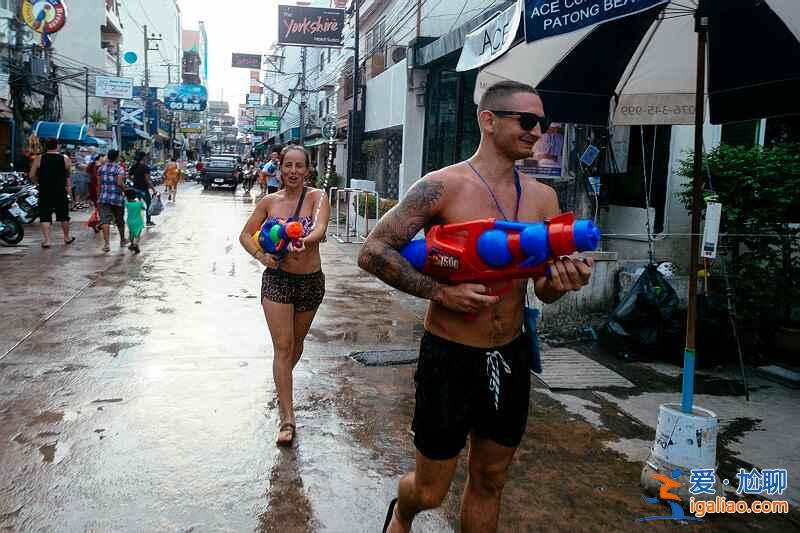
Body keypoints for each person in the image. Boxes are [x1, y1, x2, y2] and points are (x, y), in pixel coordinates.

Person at [358, 81, 594, 533]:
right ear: (489, 121)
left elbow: (543, 289)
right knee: (431, 491)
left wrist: (565, 283)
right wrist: (441, 293)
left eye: (541, 122)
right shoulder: (442, 186)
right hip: (449, 355)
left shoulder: (543, 198)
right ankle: (402, 511)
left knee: (491, 477)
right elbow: (373, 251)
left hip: (510, 353)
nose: (537, 131)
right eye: (527, 121)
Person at [239, 145, 331, 447]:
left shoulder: (318, 198)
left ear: (307, 170)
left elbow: (319, 228)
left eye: (299, 166)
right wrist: (262, 257)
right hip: (277, 280)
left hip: (310, 282)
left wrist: (303, 238)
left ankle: (282, 383)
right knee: (283, 346)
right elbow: (245, 235)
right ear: (280, 168)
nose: (293, 171)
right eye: (288, 165)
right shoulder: (269, 201)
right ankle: (287, 419)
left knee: (297, 344)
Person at [29, 138, 74, 248]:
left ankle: (47, 240)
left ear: (45, 146)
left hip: (45, 191)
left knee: (45, 215)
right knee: (64, 215)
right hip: (60, 191)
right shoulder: (65, 158)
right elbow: (68, 174)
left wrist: (38, 182)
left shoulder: (39, 158)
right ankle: (67, 237)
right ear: (57, 146)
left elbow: (31, 175)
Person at [97, 149, 129, 253]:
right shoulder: (119, 169)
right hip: (117, 198)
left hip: (104, 198)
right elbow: (119, 183)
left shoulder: (101, 168)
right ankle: (122, 240)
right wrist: (126, 190)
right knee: (119, 219)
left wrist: (98, 197)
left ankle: (106, 244)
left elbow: (99, 184)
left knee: (105, 220)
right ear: (116, 157)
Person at [129, 151, 157, 226]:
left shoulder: (133, 166)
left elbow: (129, 176)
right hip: (143, 189)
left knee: (136, 205)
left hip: (135, 189)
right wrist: (154, 190)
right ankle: (148, 221)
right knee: (149, 204)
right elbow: (148, 180)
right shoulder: (145, 167)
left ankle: (135, 221)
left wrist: (134, 181)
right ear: (144, 157)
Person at [124, 189, 146, 254]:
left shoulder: (127, 204)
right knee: (138, 235)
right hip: (138, 221)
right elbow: (144, 208)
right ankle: (136, 244)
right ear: (135, 196)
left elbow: (124, 202)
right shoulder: (139, 203)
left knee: (131, 233)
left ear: (127, 197)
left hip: (130, 221)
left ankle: (132, 244)